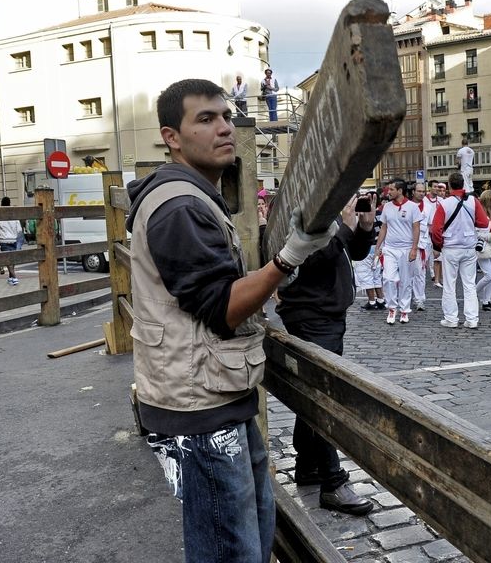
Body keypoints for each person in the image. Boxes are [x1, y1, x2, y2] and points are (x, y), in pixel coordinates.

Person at [125, 78, 336, 563]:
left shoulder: (191, 196)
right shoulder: (180, 206)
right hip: (199, 407)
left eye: (225, 116)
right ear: (171, 137)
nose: (224, 128)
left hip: (208, 394)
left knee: (250, 535)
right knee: (232, 549)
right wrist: (288, 258)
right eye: (205, 119)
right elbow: (222, 308)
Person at [276, 194, 375, 516]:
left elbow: (353, 252)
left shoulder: (328, 211)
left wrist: (364, 226)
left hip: (327, 315)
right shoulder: (300, 212)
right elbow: (309, 259)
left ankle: (307, 465)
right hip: (311, 315)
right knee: (324, 397)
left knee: (313, 393)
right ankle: (333, 482)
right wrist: (345, 227)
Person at [431, 172, 489, 328]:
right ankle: (472, 319)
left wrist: (439, 244)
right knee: (469, 284)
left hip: (450, 247)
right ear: (463, 184)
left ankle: (451, 318)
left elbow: (436, 230)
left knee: (450, 284)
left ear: (450, 185)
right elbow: (484, 223)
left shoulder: (444, 204)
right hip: (469, 246)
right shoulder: (473, 201)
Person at [375, 179, 421, 324]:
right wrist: (378, 247)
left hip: (406, 249)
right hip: (390, 248)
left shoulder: (413, 207)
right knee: (388, 278)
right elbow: (384, 227)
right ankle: (391, 308)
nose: (388, 192)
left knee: (406, 281)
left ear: (400, 191)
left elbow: (416, 228)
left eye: (392, 190)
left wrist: (414, 248)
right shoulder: (387, 207)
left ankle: (404, 310)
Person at [411, 182, 436, 311]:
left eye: (423, 191)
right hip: (408, 243)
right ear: (413, 192)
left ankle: (419, 299)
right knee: (406, 273)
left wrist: (434, 245)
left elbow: (431, 226)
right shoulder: (408, 206)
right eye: (419, 191)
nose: (421, 193)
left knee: (420, 272)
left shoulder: (428, 207)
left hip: (423, 244)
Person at [475, 189, 491, 312]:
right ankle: (472, 294)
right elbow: (478, 233)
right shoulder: (481, 214)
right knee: (488, 276)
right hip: (483, 247)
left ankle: (486, 301)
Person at [0, 196, 23, 285]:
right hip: (13, 239)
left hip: (3, 240)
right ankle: (11, 277)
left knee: (7, 260)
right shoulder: (14, 214)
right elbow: (19, 229)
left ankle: (14, 276)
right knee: (12, 260)